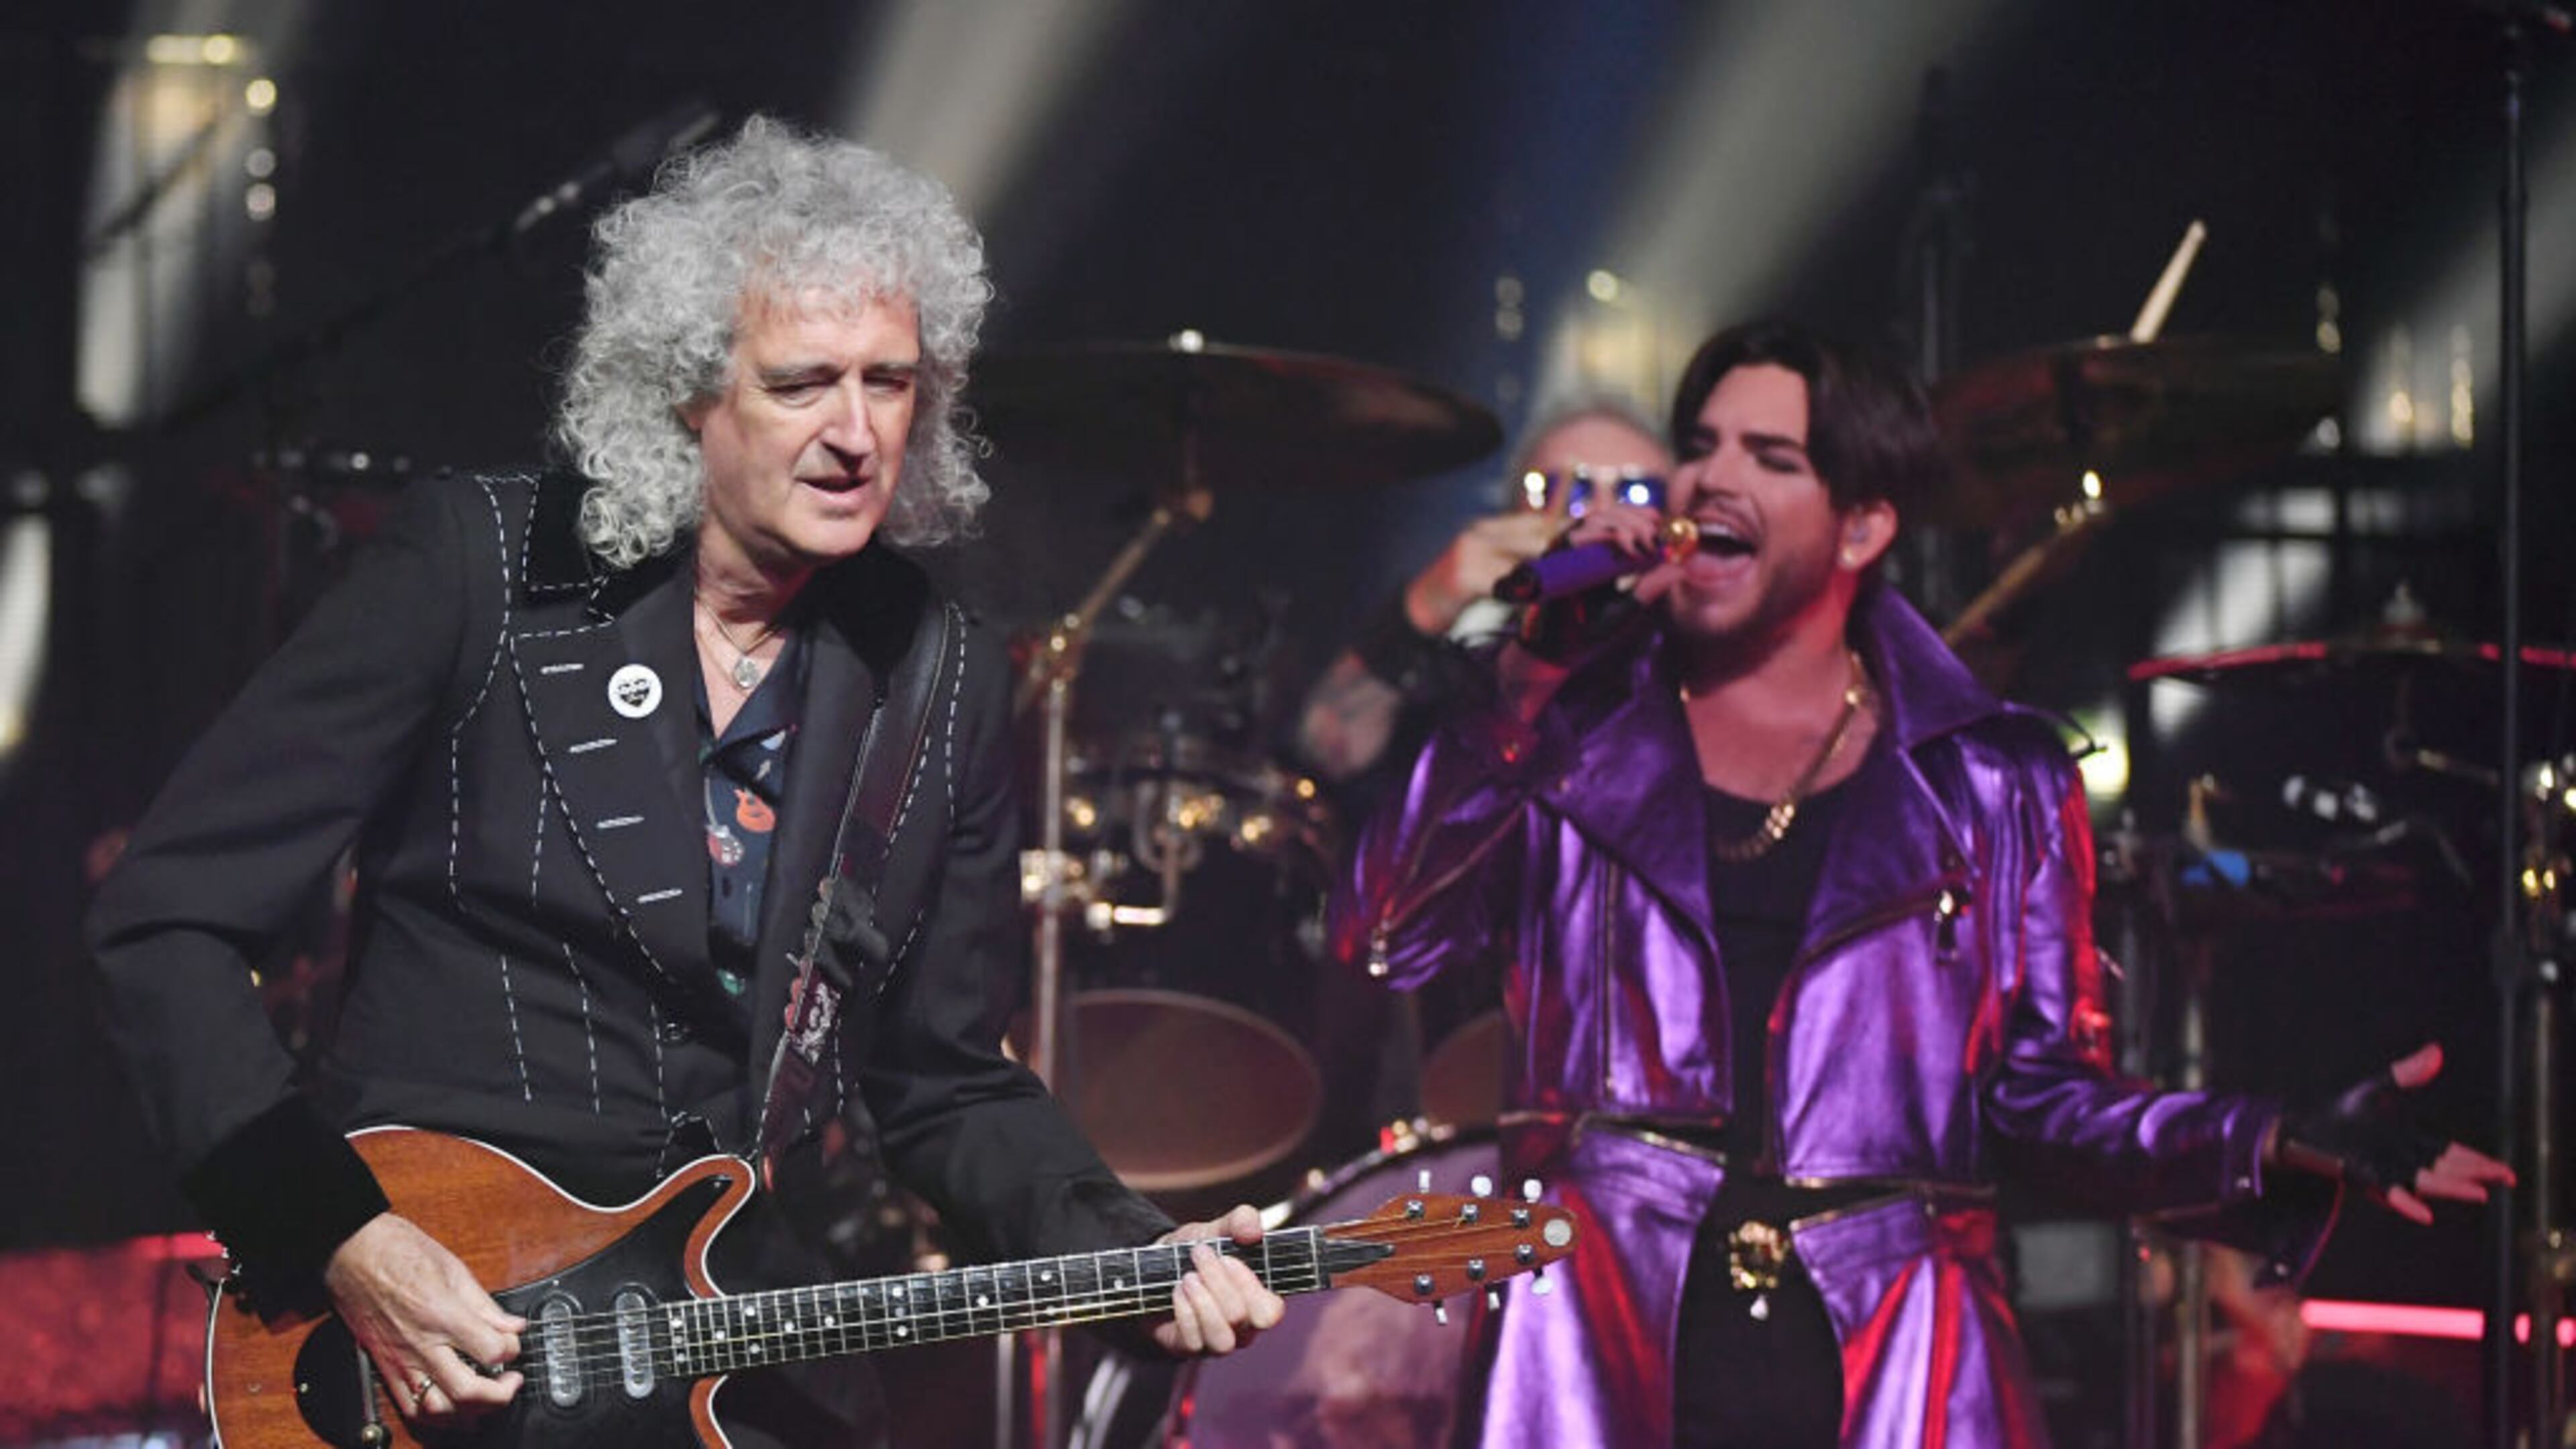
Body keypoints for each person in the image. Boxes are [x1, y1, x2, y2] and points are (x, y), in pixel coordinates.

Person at [87, 117, 1280, 1447]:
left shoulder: (937, 671)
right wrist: (345, 1237)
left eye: (890, 384)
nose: (854, 435)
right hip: (430, 1343)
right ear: (686, 391)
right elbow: (166, 921)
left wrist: (1122, 1248)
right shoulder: (480, 570)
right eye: (799, 384)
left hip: (722, 1341)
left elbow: (943, 1078)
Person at [1328, 319, 2511, 1449]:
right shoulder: (1568, 734)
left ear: (1860, 527)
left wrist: (2273, 1137)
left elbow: (2044, 1101)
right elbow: (1384, 936)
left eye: (1770, 456)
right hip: (1601, 1352)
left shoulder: (1993, 782)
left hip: (1893, 1364)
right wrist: (1523, 683)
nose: (1707, 481)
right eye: (1699, 446)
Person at [1295, 400, 1672, 788]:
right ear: (1514, 513)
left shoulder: (1691, 659)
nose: (1601, 514)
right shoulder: (1468, 655)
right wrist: (1431, 601)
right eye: (1565, 489)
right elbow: (1327, 753)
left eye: (1639, 492)